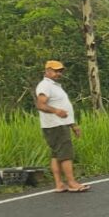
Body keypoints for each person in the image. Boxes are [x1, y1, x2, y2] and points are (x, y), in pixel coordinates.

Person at [35, 60, 90, 193]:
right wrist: (56, 111)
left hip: (60, 124)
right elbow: (40, 105)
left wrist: (73, 125)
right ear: (47, 70)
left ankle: (59, 184)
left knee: (56, 155)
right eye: (55, 71)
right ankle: (71, 183)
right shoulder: (45, 86)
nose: (58, 73)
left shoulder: (55, 86)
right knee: (65, 154)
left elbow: (64, 108)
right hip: (55, 125)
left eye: (60, 71)